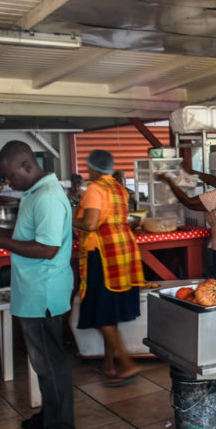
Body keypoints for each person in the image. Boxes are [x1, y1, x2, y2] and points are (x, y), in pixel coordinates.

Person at [0, 141, 76, 429]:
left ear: (27, 166)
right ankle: (51, 414)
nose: (7, 183)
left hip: (44, 291)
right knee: (42, 361)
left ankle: (62, 428)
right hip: (33, 289)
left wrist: (1, 244)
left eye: (9, 177)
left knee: (50, 362)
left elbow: (47, 249)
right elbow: (31, 237)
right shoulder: (34, 193)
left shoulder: (47, 197)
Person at [73, 150, 143, 386]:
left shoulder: (95, 188)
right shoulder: (118, 188)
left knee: (101, 311)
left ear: (91, 167)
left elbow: (90, 224)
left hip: (101, 254)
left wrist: (68, 217)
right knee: (110, 309)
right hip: (122, 250)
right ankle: (109, 364)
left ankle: (127, 363)